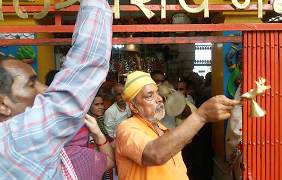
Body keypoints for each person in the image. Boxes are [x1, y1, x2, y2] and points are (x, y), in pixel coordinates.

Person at [0, 0, 112, 178]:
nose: (43, 90)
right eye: (31, 84)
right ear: (2, 104)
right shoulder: (18, 140)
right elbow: (87, 65)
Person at [115, 71, 239, 180]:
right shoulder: (127, 128)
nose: (159, 98)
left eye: (157, 92)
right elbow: (155, 154)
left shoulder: (162, 128)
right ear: (133, 106)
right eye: (150, 95)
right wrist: (201, 116)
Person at [63, 114, 114, 179]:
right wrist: (98, 133)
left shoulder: (49, 154)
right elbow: (111, 161)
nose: (101, 107)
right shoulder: (85, 158)